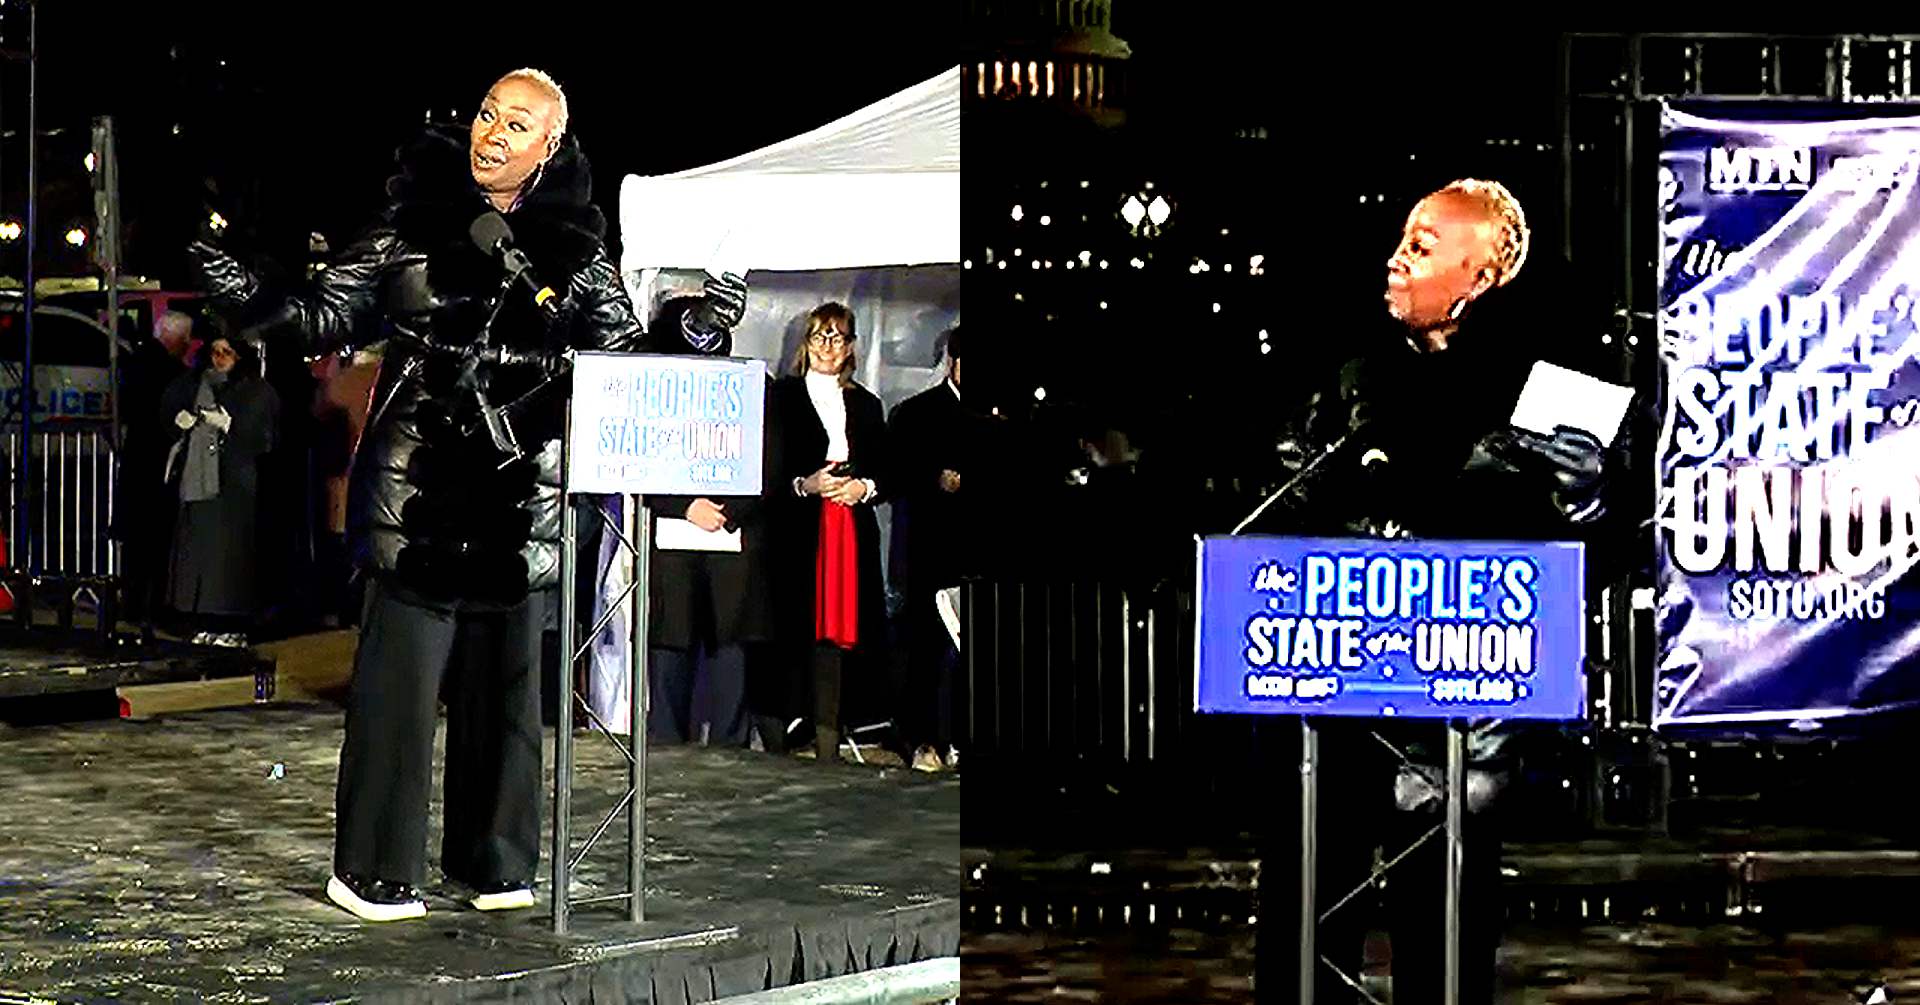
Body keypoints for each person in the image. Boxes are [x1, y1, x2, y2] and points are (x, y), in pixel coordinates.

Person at [189, 68, 748, 923]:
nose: (492, 131)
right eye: (488, 112)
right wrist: (248, 292)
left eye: (517, 123)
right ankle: (371, 870)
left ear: (549, 146)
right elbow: (322, 317)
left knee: (507, 705)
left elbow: (624, 363)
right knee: (398, 704)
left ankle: (493, 863)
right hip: (415, 503)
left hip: (520, 509)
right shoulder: (411, 221)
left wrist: (697, 329)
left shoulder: (575, 253)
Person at [1255, 179, 1618, 1003]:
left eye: (1420, 248)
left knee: (1446, 932)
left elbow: (1604, 531)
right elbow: (1281, 497)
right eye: (1400, 239)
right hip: (1332, 704)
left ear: (1481, 276)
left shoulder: (1545, 393)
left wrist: (1586, 495)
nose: (1394, 260)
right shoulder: (1345, 374)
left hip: (1462, 719)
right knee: (1308, 921)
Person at [769, 303, 889, 765]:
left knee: (843, 631)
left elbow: (887, 469)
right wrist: (805, 485)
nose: (827, 347)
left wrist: (864, 487)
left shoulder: (866, 403)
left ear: (850, 347)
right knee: (800, 627)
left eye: (837, 338)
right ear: (806, 344)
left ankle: (830, 738)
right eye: (819, 337)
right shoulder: (782, 397)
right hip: (800, 533)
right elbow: (767, 471)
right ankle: (789, 735)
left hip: (850, 529)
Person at [885, 326, 973, 771]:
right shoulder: (916, 414)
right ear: (952, 362)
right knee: (927, 651)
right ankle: (923, 739)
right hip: (931, 554)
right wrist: (934, 479)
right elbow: (896, 476)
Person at [160, 334, 280, 647]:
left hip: (234, 486)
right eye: (215, 351)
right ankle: (201, 618)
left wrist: (230, 425)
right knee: (199, 554)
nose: (220, 358)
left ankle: (231, 621)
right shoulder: (194, 383)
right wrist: (178, 422)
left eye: (227, 352)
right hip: (199, 482)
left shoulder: (255, 389)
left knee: (229, 558)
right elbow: (169, 410)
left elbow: (264, 436)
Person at [116, 311, 195, 628]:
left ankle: (132, 606)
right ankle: (156, 609)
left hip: (137, 461)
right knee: (158, 542)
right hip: (160, 464)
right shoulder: (173, 374)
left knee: (135, 545)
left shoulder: (134, 363)